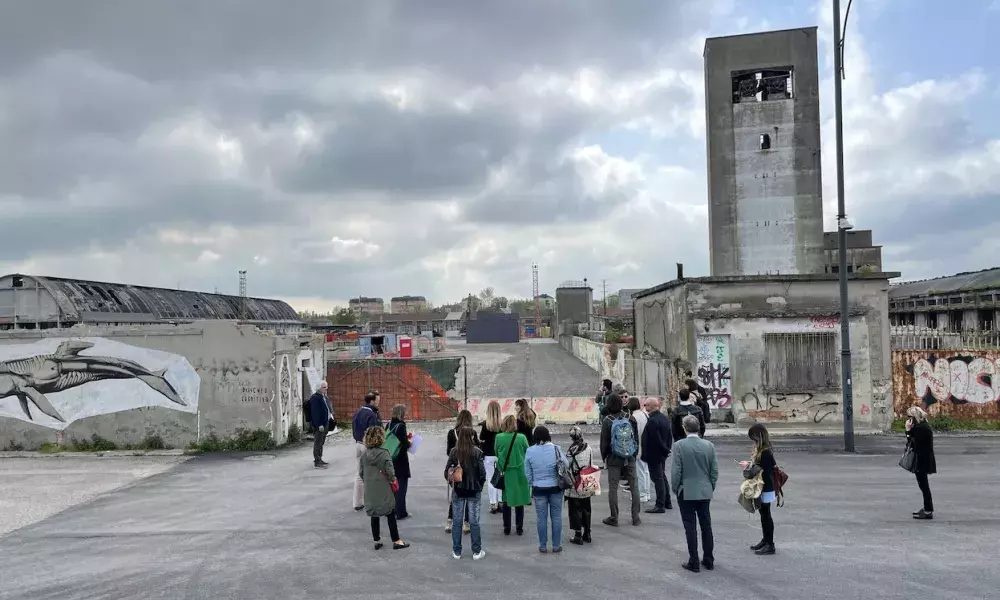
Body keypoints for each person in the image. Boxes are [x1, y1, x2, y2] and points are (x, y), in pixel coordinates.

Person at [671, 415, 718, 573]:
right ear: (698, 427)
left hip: (686, 490)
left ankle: (694, 560)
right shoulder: (709, 445)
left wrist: (675, 487)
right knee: (706, 526)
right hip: (704, 489)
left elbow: (677, 470)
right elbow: (714, 471)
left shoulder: (679, 445)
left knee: (690, 527)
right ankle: (709, 559)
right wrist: (710, 485)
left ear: (684, 428)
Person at [358, 425, 410, 550]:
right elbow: (391, 472)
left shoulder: (364, 455)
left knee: (374, 514)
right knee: (390, 513)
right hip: (384, 487)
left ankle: (377, 540)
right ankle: (396, 540)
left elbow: (361, 472)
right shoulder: (384, 453)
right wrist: (393, 480)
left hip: (370, 488)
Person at [445, 426, 487, 560]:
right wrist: (479, 486)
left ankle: (457, 551)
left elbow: (447, 472)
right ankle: (476, 551)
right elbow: (482, 473)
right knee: (474, 521)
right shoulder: (478, 452)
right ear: (472, 437)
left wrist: (453, 481)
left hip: (458, 490)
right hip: (474, 490)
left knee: (457, 521)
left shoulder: (454, 452)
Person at [599, 393, 641, 527]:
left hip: (614, 457)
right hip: (630, 456)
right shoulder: (630, 417)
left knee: (613, 488)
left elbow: (604, 443)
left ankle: (614, 517)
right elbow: (636, 439)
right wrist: (634, 454)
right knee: (634, 487)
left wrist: (604, 458)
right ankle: (635, 517)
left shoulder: (608, 420)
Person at [524, 426, 566, 553]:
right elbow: (566, 464)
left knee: (541, 518)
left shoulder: (530, 451)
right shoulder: (556, 449)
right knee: (556, 517)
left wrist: (533, 482)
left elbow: (527, 472)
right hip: (555, 487)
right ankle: (556, 545)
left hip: (538, 488)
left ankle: (543, 545)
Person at [740, 423, 777, 554]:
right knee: (764, 515)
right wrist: (750, 464)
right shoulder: (764, 450)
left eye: (754, 438)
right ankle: (765, 540)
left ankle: (770, 544)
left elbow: (764, 470)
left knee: (766, 515)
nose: (753, 442)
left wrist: (749, 467)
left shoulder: (765, 452)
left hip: (765, 487)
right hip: (763, 486)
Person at [495, 414, 530, 535]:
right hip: (520, 471)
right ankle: (519, 527)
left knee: (506, 501)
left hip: (506, 472)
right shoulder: (521, 437)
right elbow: (528, 451)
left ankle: (507, 527)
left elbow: (496, 451)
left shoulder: (499, 437)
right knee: (519, 501)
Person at [446, 410, 478, 533]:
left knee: (456, 496)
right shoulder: (472, 433)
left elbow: (448, 452)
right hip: (470, 470)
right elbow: (476, 451)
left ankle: (449, 521)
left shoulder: (451, 433)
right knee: (469, 496)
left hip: (456, 469)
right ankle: (467, 523)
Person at [641, 397, 673, 512]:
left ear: (651, 406)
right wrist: (667, 449)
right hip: (661, 454)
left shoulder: (653, 420)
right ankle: (667, 501)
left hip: (654, 454)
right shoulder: (664, 418)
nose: (645, 407)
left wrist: (664, 449)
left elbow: (655, 439)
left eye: (646, 405)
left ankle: (660, 505)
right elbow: (669, 436)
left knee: (657, 479)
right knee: (662, 477)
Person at [565, 426, 595, 545]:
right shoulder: (588, 447)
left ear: (571, 437)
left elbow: (567, 465)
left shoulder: (572, 450)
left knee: (575, 509)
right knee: (586, 507)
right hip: (587, 478)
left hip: (575, 481)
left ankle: (578, 535)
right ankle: (587, 533)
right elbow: (591, 463)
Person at [906, 406, 937, 520]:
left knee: (924, 486)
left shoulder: (920, 428)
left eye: (909, 416)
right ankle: (927, 509)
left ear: (914, 417)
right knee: (923, 485)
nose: (908, 419)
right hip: (923, 459)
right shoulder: (923, 426)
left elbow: (913, 443)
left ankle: (928, 510)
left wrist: (908, 431)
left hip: (921, 460)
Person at [352, 391, 381, 510]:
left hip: (358, 444)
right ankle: (373, 501)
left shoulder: (358, 412)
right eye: (378, 401)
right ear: (372, 401)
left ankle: (357, 502)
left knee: (360, 474)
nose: (379, 403)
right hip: (368, 447)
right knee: (372, 474)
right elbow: (374, 433)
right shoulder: (372, 415)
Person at [387, 404, 412, 520]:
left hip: (390, 458)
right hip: (400, 459)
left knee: (392, 486)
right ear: (401, 414)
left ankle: (391, 509)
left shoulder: (388, 424)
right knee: (401, 487)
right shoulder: (401, 426)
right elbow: (404, 444)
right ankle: (401, 512)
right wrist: (410, 442)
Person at [479, 400, 503, 513]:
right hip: (500, 454)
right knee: (500, 477)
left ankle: (493, 503)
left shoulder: (485, 424)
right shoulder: (502, 424)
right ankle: (501, 501)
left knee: (490, 479)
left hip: (488, 454)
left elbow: (482, 437)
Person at [628, 396, 652, 505]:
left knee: (640, 472)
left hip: (638, 448)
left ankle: (642, 494)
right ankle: (647, 493)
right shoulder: (645, 415)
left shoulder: (633, 417)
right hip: (647, 446)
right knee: (646, 471)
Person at [308, 381, 331, 469]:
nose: (326, 389)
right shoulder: (315, 398)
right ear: (319, 388)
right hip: (319, 424)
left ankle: (320, 458)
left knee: (321, 442)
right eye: (324, 387)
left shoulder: (323, 396)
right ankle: (317, 461)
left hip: (325, 423)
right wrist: (319, 424)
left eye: (326, 387)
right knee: (318, 442)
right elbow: (316, 413)